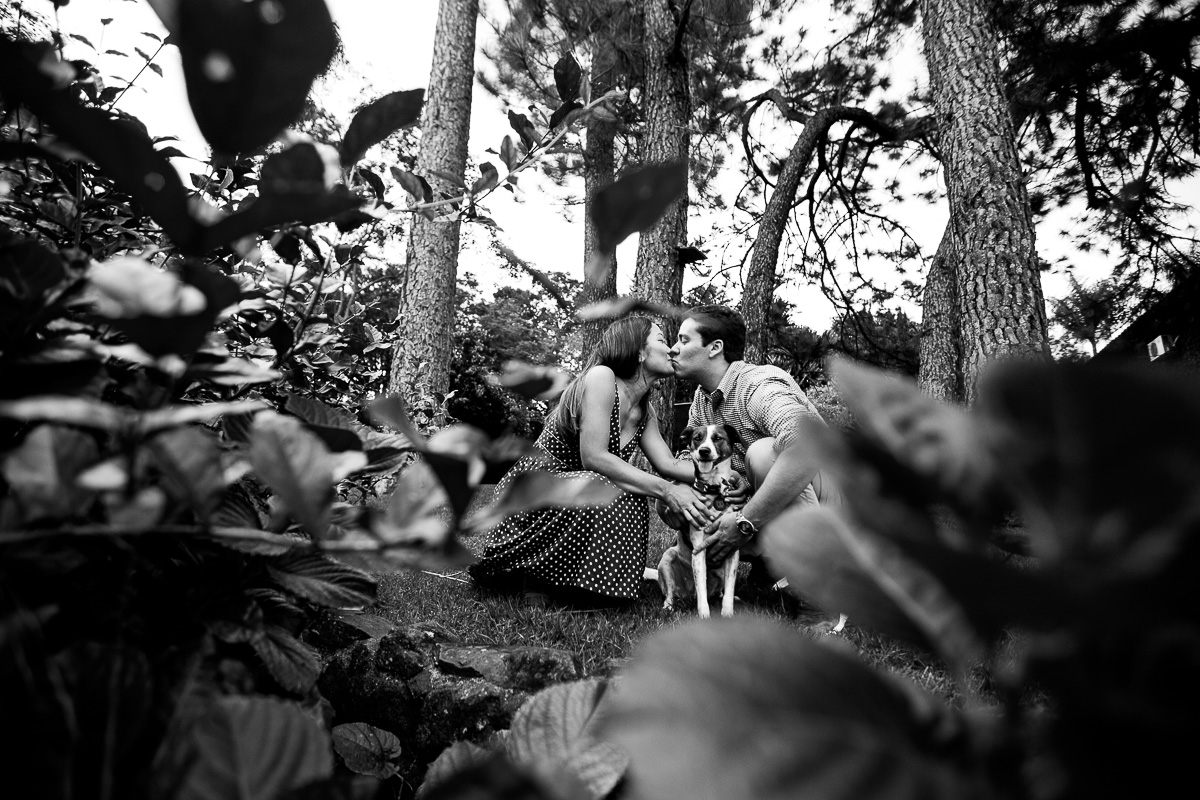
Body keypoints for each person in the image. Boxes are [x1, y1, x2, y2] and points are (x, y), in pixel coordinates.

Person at [469, 317, 715, 608]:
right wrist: (667, 490)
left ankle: (593, 586)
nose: (672, 349)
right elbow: (594, 457)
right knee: (598, 483)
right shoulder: (602, 377)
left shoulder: (644, 410)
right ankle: (536, 577)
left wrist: (730, 474)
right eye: (662, 340)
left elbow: (669, 465)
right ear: (639, 351)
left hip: (574, 491)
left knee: (632, 495)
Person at [658, 304, 841, 594]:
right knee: (676, 489)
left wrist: (744, 521)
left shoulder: (758, 385)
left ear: (715, 348)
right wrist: (674, 492)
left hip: (835, 503)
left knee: (763, 454)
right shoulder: (703, 398)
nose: (673, 349)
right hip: (775, 504)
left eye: (683, 340)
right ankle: (772, 565)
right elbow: (686, 460)